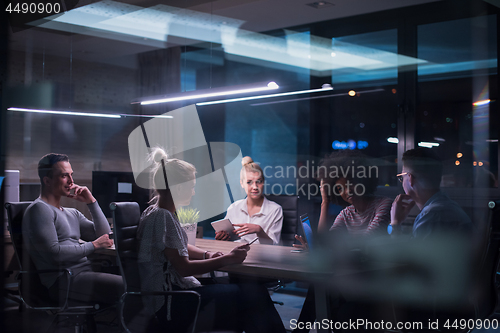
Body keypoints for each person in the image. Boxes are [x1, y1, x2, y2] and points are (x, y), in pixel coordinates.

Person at [136, 147, 286, 333]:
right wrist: (226, 259)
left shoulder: (155, 212)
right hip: (171, 302)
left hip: (170, 294)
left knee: (249, 302)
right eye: (191, 187)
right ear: (179, 187)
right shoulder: (163, 217)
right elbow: (184, 267)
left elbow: (177, 247)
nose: (193, 192)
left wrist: (207, 254)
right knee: (254, 295)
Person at [293, 152, 392, 332]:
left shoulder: (383, 204)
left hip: (374, 280)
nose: (347, 191)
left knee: (322, 293)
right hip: (349, 277)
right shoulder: (346, 213)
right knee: (320, 289)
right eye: (340, 189)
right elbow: (326, 240)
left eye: (350, 184)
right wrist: (325, 201)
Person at [23, 153, 123, 305]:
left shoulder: (72, 213)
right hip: (63, 280)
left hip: (83, 274)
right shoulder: (39, 209)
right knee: (126, 287)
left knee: (133, 281)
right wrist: (94, 245)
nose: (71, 181)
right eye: (64, 176)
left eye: (71, 175)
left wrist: (92, 202)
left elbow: (105, 236)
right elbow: (54, 254)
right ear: (47, 181)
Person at [389, 147, 474, 239]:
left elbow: (408, 253)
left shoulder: (432, 215)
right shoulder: (446, 206)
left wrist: (395, 223)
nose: (401, 182)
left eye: (401, 177)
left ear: (410, 179)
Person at [215, 156, 283, 245]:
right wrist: (222, 237)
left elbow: (275, 247)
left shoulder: (275, 210)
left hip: (260, 257)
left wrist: (259, 230)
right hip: (236, 255)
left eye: (259, 181)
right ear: (242, 184)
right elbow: (227, 239)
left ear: (263, 182)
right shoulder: (234, 208)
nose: (255, 187)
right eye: (249, 182)